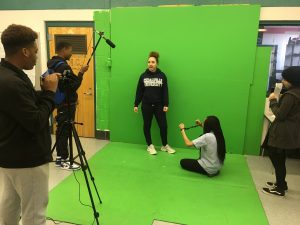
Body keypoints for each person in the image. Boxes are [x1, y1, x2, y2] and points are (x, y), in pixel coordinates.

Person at [0, 24, 59, 225]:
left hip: (9, 157)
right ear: (24, 51)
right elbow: (35, 121)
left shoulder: (7, 75)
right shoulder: (13, 82)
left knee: (10, 204)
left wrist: (43, 93)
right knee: (34, 213)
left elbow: (24, 104)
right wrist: (51, 94)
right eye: (34, 51)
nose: (36, 56)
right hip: (28, 159)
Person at [47, 41, 89, 170]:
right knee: (64, 130)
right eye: (70, 50)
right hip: (66, 104)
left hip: (61, 102)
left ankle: (61, 157)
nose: (71, 54)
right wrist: (81, 73)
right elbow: (73, 86)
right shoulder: (63, 66)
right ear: (64, 49)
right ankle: (62, 159)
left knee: (62, 129)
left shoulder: (53, 63)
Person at [262, 66, 300, 197]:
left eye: (285, 79)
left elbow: (280, 114)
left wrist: (272, 100)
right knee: (280, 158)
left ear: (292, 80)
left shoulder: (290, 96)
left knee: (276, 158)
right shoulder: (297, 93)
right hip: (290, 133)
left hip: (282, 133)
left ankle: (279, 188)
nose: (283, 81)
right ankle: (281, 183)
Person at [134, 51, 175, 155]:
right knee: (147, 125)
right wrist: (136, 104)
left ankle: (165, 145)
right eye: (149, 62)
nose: (150, 64)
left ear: (156, 63)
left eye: (153, 62)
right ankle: (150, 146)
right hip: (146, 105)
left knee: (163, 126)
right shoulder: (143, 76)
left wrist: (166, 104)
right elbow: (139, 91)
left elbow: (165, 90)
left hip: (159, 106)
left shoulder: (162, 76)